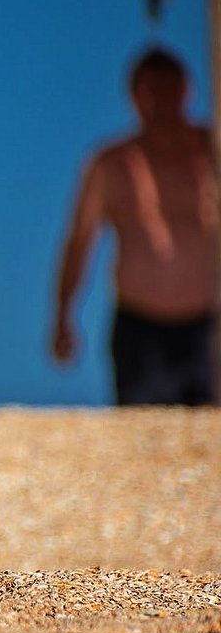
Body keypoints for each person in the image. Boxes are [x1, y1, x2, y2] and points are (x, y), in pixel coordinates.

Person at [51, 48, 219, 405]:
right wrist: (63, 316)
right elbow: (80, 241)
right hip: (140, 328)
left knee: (209, 441)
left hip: (209, 324)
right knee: (145, 440)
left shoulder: (211, 153)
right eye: (150, 92)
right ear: (134, 97)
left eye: (168, 89)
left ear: (187, 91)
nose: (160, 101)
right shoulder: (112, 164)